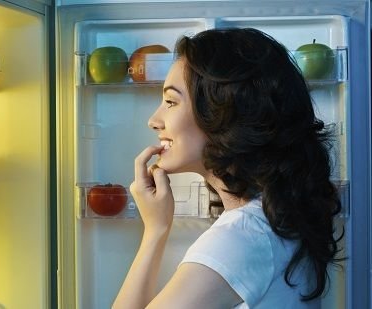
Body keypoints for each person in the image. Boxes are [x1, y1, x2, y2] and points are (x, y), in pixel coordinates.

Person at [112, 28, 342, 309]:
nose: (154, 120)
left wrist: (154, 233)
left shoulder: (240, 239)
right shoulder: (272, 219)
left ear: (222, 113)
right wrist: (157, 227)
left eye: (171, 102)